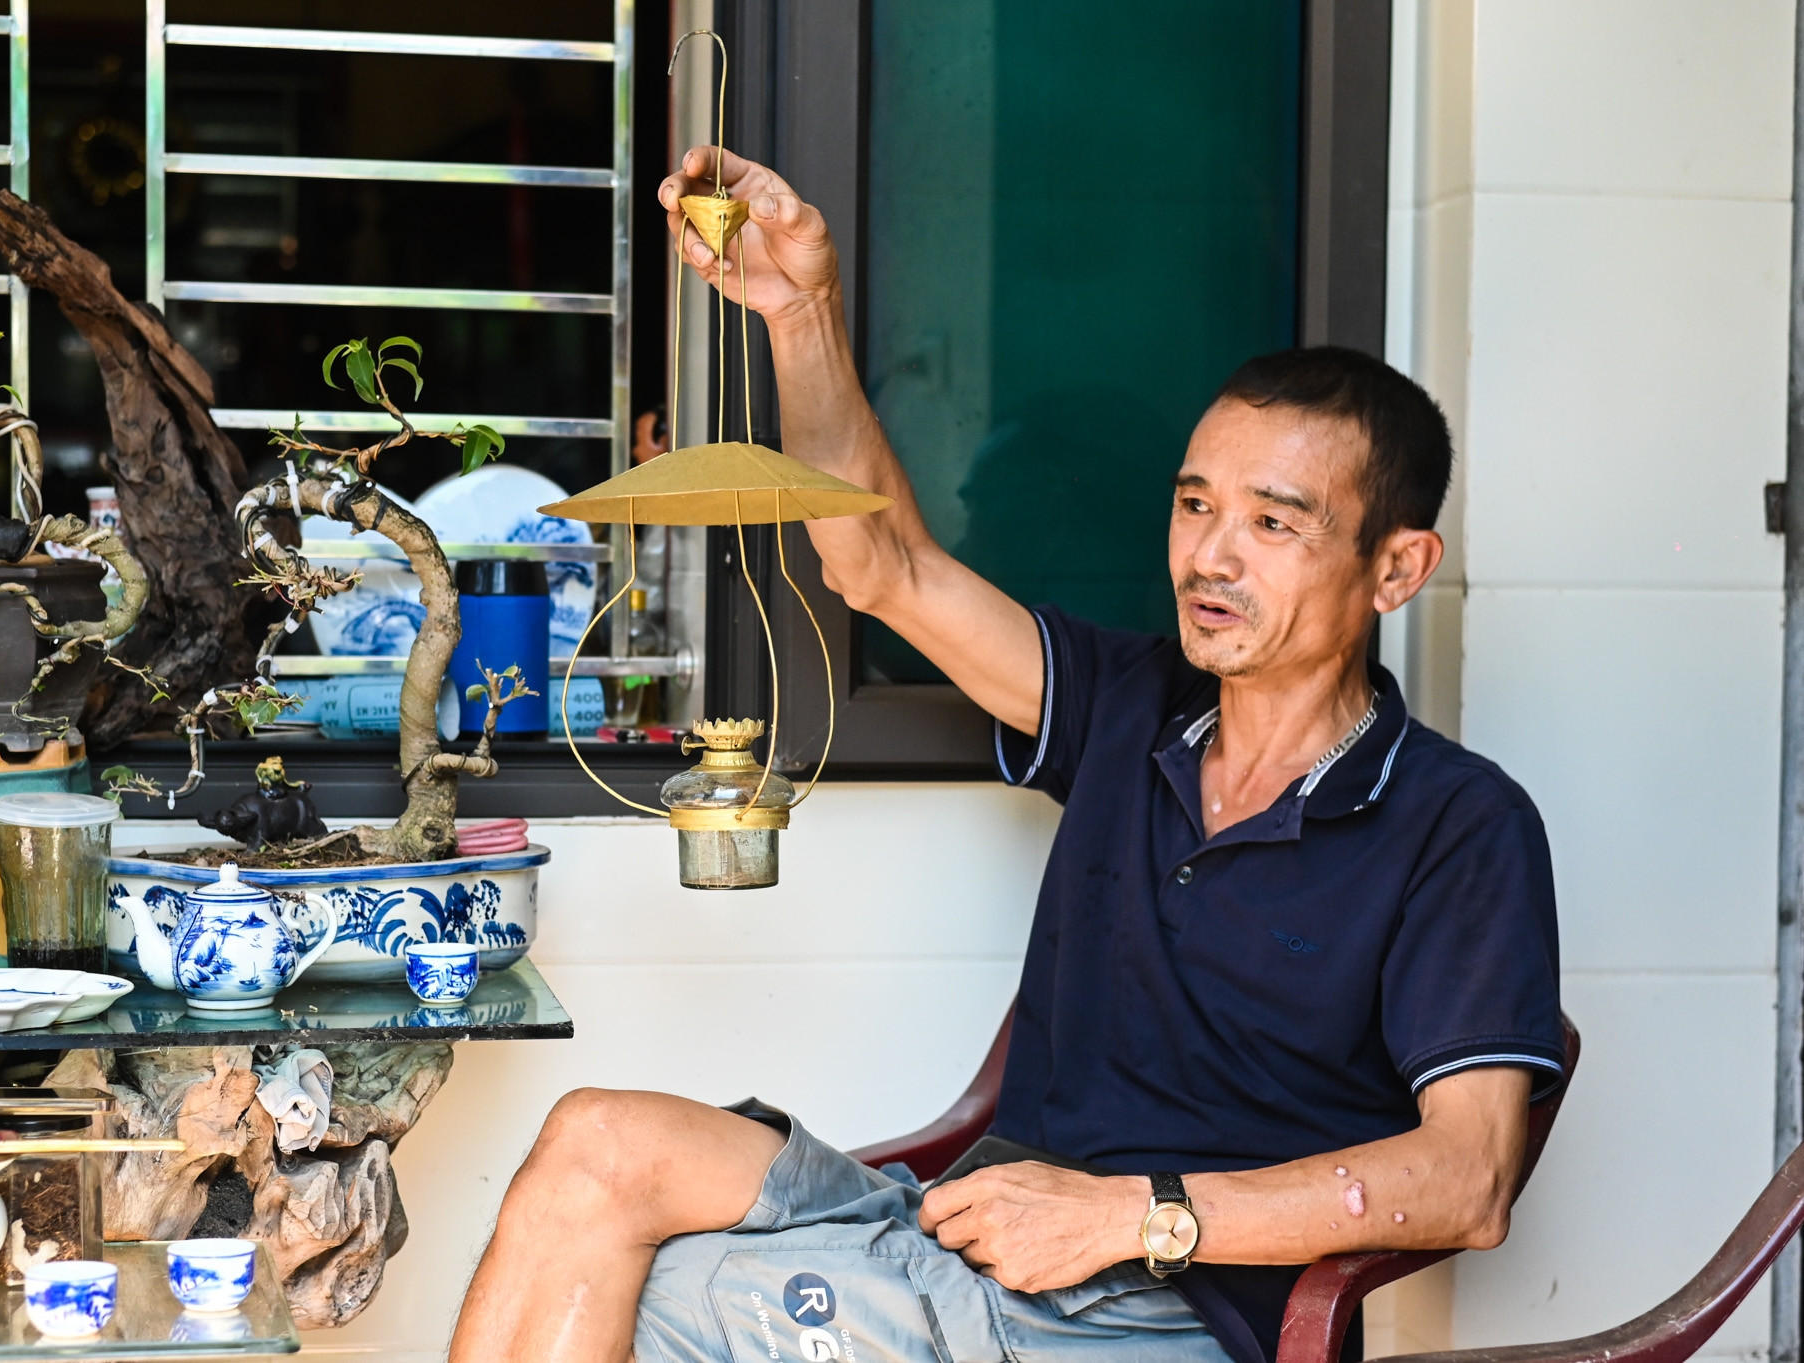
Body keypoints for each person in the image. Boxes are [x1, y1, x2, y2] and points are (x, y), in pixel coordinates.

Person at [447, 147, 1563, 1363]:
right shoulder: (1131, 705)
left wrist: (1135, 1217)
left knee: (633, 1301)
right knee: (596, 1144)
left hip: (1159, 1310)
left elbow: (1467, 1176)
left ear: (1396, 567)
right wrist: (795, 307)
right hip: (970, 1235)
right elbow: (883, 564)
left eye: (1272, 523)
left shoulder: (1456, 822)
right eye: (1195, 506)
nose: (1210, 558)